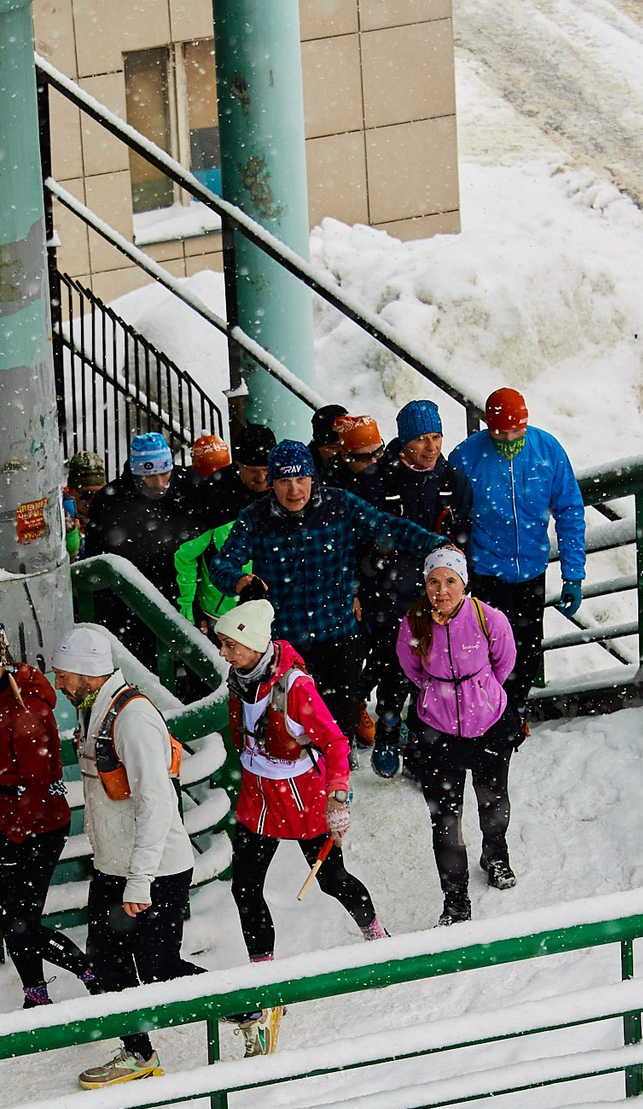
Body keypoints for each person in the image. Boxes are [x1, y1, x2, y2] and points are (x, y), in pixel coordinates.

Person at [214, 599, 385, 1050]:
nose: (224, 654)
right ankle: (266, 981)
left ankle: (377, 937)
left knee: (331, 878)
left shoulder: (296, 687)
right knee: (244, 888)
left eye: (231, 646)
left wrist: (339, 796)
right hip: (257, 798)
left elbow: (334, 742)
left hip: (302, 799)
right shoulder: (240, 677)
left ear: (253, 644)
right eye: (223, 645)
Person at [207, 439, 442, 738]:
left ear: (313, 478)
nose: (294, 491)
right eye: (285, 481)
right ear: (272, 483)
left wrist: (436, 544)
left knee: (339, 726)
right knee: (285, 731)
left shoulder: (340, 505)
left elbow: (390, 527)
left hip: (337, 639)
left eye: (301, 479)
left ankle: (340, 778)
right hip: (283, 646)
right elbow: (221, 565)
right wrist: (238, 580)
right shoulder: (255, 518)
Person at [54, 622, 199, 1090]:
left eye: (63, 675)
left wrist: (140, 881)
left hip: (154, 868)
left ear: (84, 673)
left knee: (159, 969)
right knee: (107, 959)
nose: (59, 684)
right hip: (115, 864)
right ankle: (138, 1053)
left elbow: (157, 803)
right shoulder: (94, 709)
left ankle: (251, 1008)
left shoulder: (131, 719)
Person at [0, 618, 95, 1008]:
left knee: (22, 923)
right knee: (9, 919)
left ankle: (89, 973)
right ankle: (36, 992)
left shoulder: (22, 710)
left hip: (40, 828)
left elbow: (37, 784)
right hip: (8, 823)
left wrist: (16, 832)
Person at [449, 386, 587, 721]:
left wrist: (573, 573)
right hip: (484, 573)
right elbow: (450, 518)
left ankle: (515, 709)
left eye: (516, 430)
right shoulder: (467, 457)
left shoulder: (547, 450)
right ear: (488, 427)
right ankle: (488, 711)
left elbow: (569, 510)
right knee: (486, 649)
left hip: (532, 570)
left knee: (527, 646)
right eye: (500, 432)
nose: (509, 439)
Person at [397, 546, 518, 923]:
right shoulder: (413, 624)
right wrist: (441, 696)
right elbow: (412, 670)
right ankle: (456, 897)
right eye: (433, 581)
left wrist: (479, 693)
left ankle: (495, 856)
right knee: (446, 821)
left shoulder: (488, 618)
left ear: (464, 583)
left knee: (493, 802)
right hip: (438, 734)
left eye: (450, 580)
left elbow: (505, 662)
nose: (441, 590)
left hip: (489, 726)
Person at [353, 399, 473, 775]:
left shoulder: (452, 480)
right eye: (421, 439)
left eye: (437, 436)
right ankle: (388, 727)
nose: (432, 447)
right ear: (403, 442)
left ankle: (422, 748)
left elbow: (466, 532)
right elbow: (353, 539)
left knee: (434, 670)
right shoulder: (376, 482)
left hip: (436, 588)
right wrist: (360, 581)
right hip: (387, 592)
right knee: (394, 665)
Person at [87, 431, 198, 661]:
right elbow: (96, 564)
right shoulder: (110, 502)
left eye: (165, 473)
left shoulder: (187, 487)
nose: (159, 484)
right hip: (131, 611)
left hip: (183, 600)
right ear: (136, 473)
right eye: (149, 477)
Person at [64, 449, 110, 557]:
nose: (93, 500)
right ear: (70, 492)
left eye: (99, 493)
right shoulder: (62, 521)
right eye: (86, 495)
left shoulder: (112, 514)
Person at [326, 414, 384, 491]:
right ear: (345, 456)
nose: (374, 460)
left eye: (378, 452)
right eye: (365, 457)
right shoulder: (333, 487)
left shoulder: (387, 467)